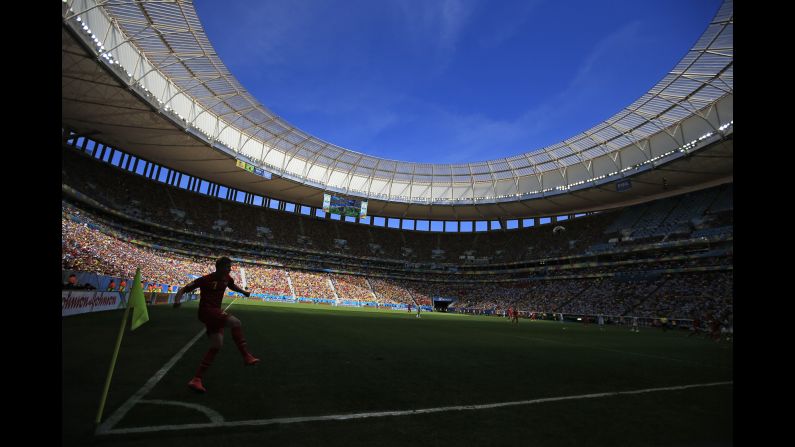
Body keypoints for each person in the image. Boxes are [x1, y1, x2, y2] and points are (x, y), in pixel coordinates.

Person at [173, 257, 260, 393]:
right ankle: (246, 356)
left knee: (216, 345)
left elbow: (232, 286)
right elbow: (183, 289)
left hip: (215, 312)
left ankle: (196, 379)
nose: (230, 269)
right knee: (236, 322)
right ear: (220, 267)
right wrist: (177, 301)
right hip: (207, 311)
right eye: (228, 267)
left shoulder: (227, 278)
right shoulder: (205, 279)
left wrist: (243, 292)